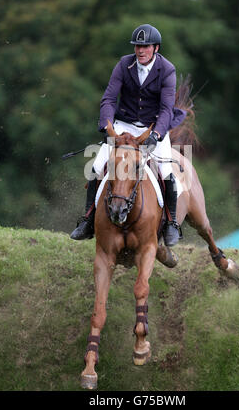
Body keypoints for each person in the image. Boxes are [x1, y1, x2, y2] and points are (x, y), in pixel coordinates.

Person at [70, 24, 186, 246]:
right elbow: (108, 99)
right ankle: (87, 219)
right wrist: (106, 127)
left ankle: (171, 224)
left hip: (153, 128)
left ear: (156, 48)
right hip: (123, 126)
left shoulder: (167, 69)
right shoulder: (124, 64)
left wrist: (157, 134)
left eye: (145, 47)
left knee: (166, 171)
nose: (140, 51)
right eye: (137, 46)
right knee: (97, 166)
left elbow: (166, 109)